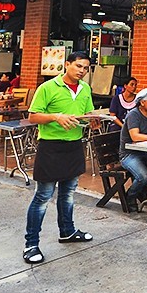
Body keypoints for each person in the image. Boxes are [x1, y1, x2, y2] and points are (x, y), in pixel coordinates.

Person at [22, 51, 95, 265]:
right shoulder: (47, 88)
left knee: (68, 194)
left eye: (86, 68)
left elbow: (86, 114)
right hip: (51, 147)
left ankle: (68, 231)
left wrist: (94, 120)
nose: (82, 71)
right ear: (67, 64)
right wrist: (56, 116)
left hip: (74, 146)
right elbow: (33, 116)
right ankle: (31, 244)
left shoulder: (85, 89)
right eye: (78, 66)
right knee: (43, 197)